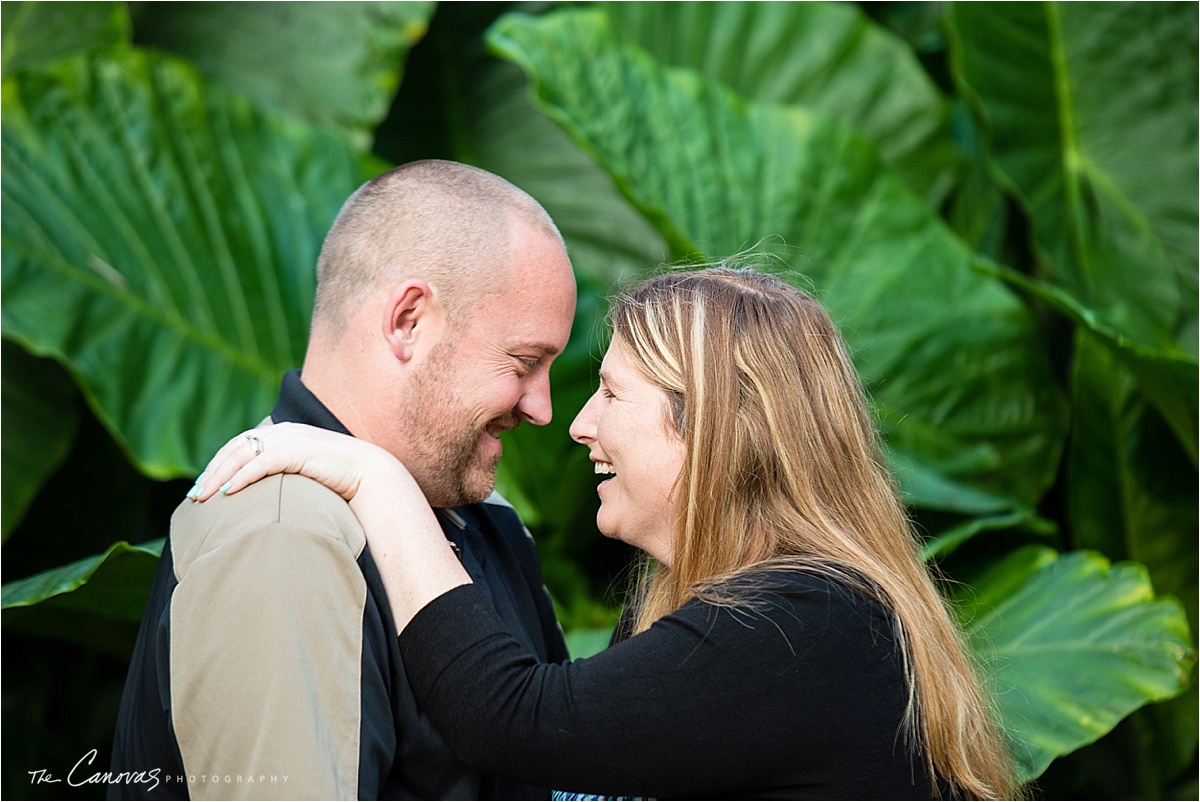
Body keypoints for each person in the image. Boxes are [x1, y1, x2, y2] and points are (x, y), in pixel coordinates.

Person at [196, 267, 1022, 800]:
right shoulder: (695, 612)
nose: (576, 423)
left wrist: (373, 479)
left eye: (611, 395)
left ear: (716, 431)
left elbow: (509, 718)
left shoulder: (805, 622)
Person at [109, 160, 577, 800]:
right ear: (409, 320)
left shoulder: (485, 519)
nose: (542, 408)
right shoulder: (283, 535)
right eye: (524, 362)